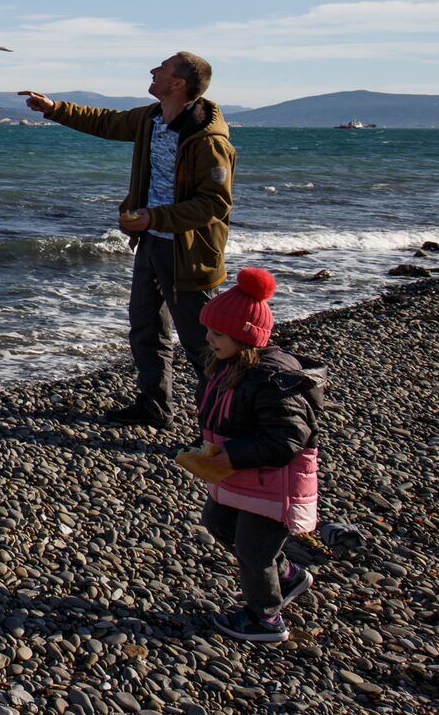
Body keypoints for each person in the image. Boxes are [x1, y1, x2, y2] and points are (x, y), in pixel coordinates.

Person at [19, 52, 235, 429]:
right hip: (150, 242)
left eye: (162, 69)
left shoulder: (208, 140)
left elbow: (215, 204)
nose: (153, 71)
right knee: (146, 328)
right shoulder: (152, 119)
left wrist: (156, 216)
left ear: (178, 84)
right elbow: (106, 121)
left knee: (203, 343)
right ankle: (155, 405)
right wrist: (54, 109)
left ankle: (221, 426)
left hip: (188, 252)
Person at [173, 267, 324, 644]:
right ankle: (288, 575)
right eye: (209, 331)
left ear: (245, 337)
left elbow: (287, 438)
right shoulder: (226, 368)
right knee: (218, 521)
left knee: (254, 552)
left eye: (218, 334)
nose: (209, 339)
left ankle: (265, 618)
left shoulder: (272, 380)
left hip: (274, 484)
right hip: (242, 476)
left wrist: (234, 455)